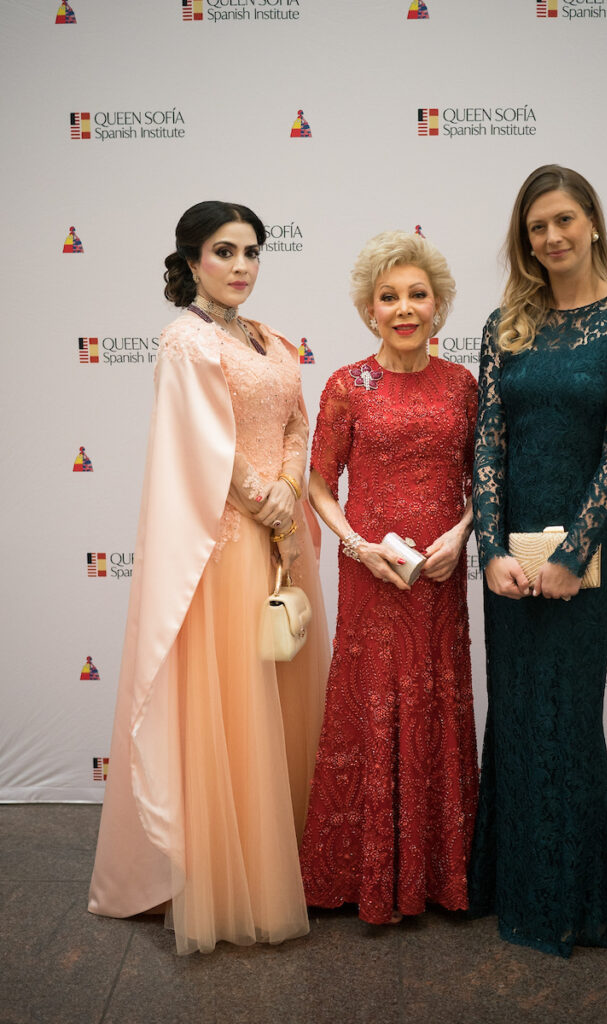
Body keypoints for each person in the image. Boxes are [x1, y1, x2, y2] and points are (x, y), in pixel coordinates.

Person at [88, 201, 329, 954]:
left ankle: (284, 857)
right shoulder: (185, 342)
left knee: (281, 696)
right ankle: (234, 881)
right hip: (225, 548)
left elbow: (296, 419)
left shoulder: (266, 337)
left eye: (252, 252)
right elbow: (206, 451)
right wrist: (270, 504)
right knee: (236, 708)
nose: (241, 267)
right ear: (191, 261)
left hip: (282, 540)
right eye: (224, 253)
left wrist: (290, 494)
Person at [469, 165, 607, 957]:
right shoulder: (504, 324)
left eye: (562, 220)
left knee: (570, 719)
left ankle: (574, 901)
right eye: (535, 228)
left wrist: (574, 552)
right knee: (515, 714)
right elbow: (487, 439)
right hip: (509, 557)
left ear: (592, 222)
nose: (550, 238)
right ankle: (510, 883)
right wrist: (488, 549)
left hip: (584, 557)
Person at [299, 230, 478, 925]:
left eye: (417, 295)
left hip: (439, 576)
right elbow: (318, 483)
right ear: (369, 308)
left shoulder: (464, 385)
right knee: (372, 703)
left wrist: (460, 538)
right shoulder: (347, 384)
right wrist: (357, 547)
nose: (404, 308)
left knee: (436, 701)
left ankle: (440, 878)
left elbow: (482, 482)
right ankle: (362, 877)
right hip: (372, 578)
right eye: (389, 296)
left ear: (438, 305)